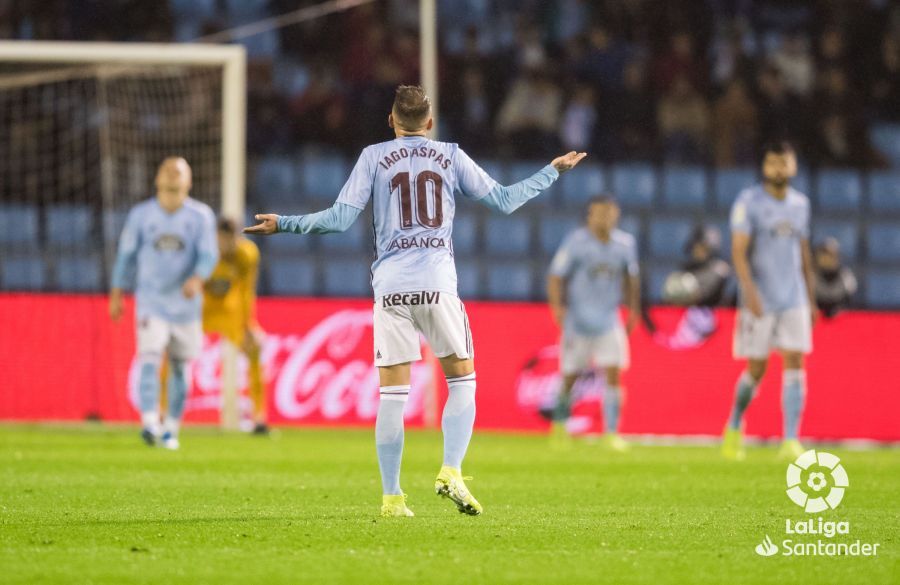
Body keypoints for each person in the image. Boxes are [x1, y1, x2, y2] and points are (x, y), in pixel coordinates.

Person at [244, 85, 586, 517]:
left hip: (390, 287)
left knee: (392, 395)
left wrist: (284, 224)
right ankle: (451, 470)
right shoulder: (450, 154)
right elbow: (504, 201)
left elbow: (339, 219)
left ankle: (392, 498)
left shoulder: (372, 157)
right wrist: (552, 171)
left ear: (391, 120)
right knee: (462, 381)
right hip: (437, 283)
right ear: (430, 122)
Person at [109, 157, 218, 450]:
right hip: (151, 302)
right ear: (157, 179)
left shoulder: (200, 216)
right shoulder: (141, 215)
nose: (172, 174)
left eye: (178, 171)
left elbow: (209, 255)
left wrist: (198, 278)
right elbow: (126, 255)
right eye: (167, 170)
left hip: (185, 308)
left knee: (180, 368)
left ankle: (171, 427)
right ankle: (149, 422)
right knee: (150, 358)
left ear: (189, 181)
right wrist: (117, 292)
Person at [722, 141, 818, 461]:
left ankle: (791, 439)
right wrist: (749, 292)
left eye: (784, 163)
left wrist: (811, 297)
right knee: (757, 369)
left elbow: (803, 251)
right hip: (760, 298)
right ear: (764, 166)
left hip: (793, 297)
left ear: (793, 166)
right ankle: (735, 424)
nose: (778, 169)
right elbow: (738, 250)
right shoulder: (748, 202)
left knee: (795, 361)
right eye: (773, 163)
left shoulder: (800, 205)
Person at [546, 195, 640, 451]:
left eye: (608, 213)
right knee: (570, 377)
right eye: (598, 213)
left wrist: (633, 309)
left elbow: (631, 277)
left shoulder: (625, 244)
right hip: (578, 321)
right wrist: (557, 308)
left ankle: (611, 433)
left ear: (616, 215)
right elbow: (556, 275)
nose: (603, 218)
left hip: (609, 320)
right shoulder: (576, 242)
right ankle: (559, 426)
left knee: (614, 374)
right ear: (589, 216)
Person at [161, 217, 267, 434]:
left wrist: (249, 324)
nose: (226, 245)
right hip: (200, 309)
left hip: (230, 311)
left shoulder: (247, 254)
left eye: (231, 240)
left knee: (254, 347)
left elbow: (247, 290)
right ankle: (162, 412)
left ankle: (259, 418)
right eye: (222, 240)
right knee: (171, 350)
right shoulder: (202, 253)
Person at [814, 237, 857, 318]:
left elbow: (850, 304)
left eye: (830, 255)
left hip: (841, 322)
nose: (826, 258)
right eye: (823, 254)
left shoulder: (846, 277)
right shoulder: (811, 277)